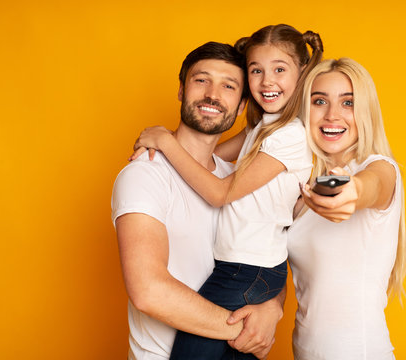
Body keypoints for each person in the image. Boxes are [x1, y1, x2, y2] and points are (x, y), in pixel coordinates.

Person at [130, 24, 323, 359]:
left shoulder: (289, 136)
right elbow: (211, 159)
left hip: (245, 269)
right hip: (244, 266)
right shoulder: (262, 127)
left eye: (280, 69)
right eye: (256, 70)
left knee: (191, 350)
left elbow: (220, 193)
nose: (267, 81)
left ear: (302, 74)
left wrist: (164, 140)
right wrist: (166, 153)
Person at [111, 42, 285, 360]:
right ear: (181, 90)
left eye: (228, 86)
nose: (212, 95)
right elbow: (149, 291)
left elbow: (270, 258)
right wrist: (245, 331)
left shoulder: (238, 179)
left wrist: (273, 307)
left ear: (242, 103)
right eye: (201, 80)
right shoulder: (145, 175)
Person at [287, 58, 406, 359]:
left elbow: (373, 185)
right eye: (319, 101)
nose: (332, 115)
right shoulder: (299, 189)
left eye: (348, 103)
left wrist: (352, 190)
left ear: (365, 111)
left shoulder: (380, 167)